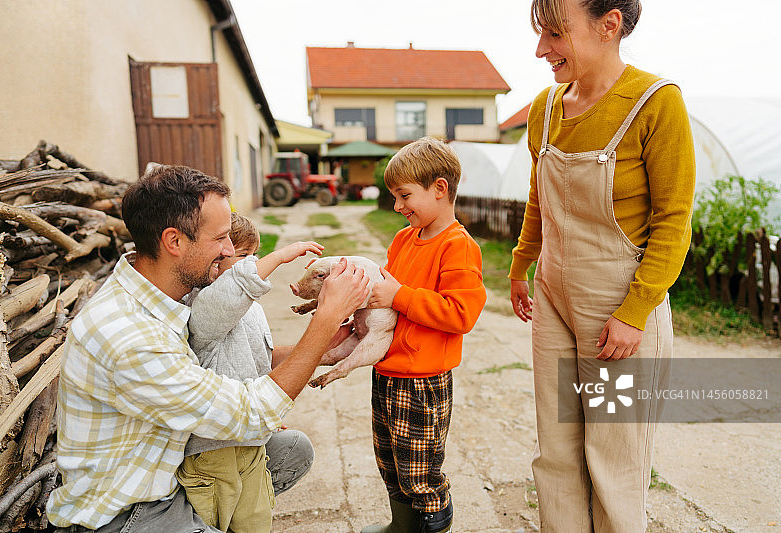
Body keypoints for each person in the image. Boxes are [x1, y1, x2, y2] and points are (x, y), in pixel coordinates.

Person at [47, 165, 370, 532]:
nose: (231, 250)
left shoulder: (163, 292)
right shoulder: (129, 337)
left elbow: (242, 361)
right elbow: (252, 412)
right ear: (174, 242)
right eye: (220, 238)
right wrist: (326, 317)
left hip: (169, 469)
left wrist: (323, 350)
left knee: (292, 451)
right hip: (127, 513)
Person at [508, 1, 695, 531]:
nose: (541, 49)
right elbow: (538, 197)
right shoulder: (544, 108)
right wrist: (522, 264)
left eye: (555, 33)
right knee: (557, 452)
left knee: (613, 459)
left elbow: (674, 221)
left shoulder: (656, 104)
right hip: (553, 299)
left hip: (616, 312)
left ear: (608, 26)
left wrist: (635, 313)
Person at [364, 137, 487, 533]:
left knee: (421, 472)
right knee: (390, 461)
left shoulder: (458, 247)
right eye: (394, 197)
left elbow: (461, 312)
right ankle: (401, 526)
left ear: (439, 188)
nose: (398, 206)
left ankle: (432, 525)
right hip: (386, 372)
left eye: (404, 196)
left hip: (422, 382)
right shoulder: (403, 239)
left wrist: (400, 295)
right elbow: (384, 296)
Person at [177, 213, 321, 532]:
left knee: (255, 519)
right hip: (212, 453)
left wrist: (325, 349)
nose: (251, 263)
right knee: (214, 519)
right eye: (243, 257)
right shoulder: (199, 307)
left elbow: (261, 361)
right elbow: (236, 288)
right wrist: (281, 256)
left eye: (254, 255)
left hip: (251, 442)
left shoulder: (252, 310)